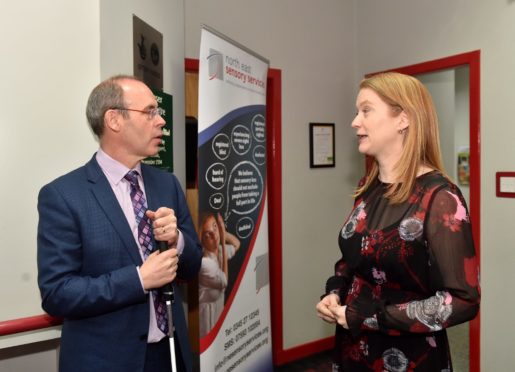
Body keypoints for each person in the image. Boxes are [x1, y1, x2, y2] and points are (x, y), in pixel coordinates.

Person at [316, 72, 480, 371]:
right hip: (354, 349)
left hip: (410, 357)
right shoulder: (368, 187)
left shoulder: (440, 198)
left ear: (402, 119)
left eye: (366, 110)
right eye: (357, 112)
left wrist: (373, 315)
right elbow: (352, 261)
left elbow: (463, 301)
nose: (355, 121)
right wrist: (334, 292)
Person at [37, 75, 202, 372]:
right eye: (150, 111)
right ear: (114, 120)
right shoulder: (63, 196)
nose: (161, 121)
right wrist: (139, 279)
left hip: (170, 354)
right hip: (105, 361)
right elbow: (57, 293)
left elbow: (192, 266)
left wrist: (177, 239)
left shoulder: (168, 185)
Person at [198, 212, 240, 338]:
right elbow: (224, 281)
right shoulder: (204, 263)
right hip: (206, 320)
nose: (213, 234)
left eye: (214, 227)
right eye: (208, 234)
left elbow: (237, 244)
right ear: (202, 241)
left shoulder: (220, 250)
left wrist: (222, 232)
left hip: (218, 314)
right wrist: (221, 237)